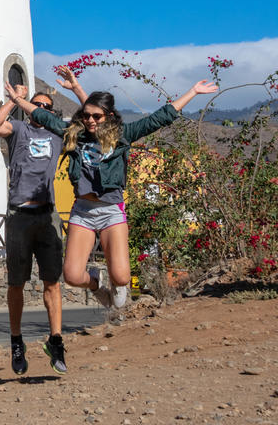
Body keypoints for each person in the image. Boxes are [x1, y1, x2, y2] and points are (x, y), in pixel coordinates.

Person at [15, 78, 219, 315]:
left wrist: (193, 90)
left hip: (111, 211)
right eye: (86, 116)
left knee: (121, 277)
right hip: (83, 211)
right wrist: (17, 100)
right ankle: (96, 284)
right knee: (71, 275)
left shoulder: (124, 135)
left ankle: (116, 289)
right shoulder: (75, 134)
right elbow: (44, 117)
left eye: (96, 117)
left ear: (109, 116)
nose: (90, 121)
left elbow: (160, 117)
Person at [0, 66, 87, 375]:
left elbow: (93, 119)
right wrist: (14, 100)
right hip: (19, 214)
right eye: (36, 105)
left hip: (47, 214)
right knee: (16, 283)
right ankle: (16, 341)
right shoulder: (19, 129)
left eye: (46, 107)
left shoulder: (59, 134)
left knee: (52, 282)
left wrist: (76, 87)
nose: (40, 109)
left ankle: (55, 341)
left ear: (52, 113)